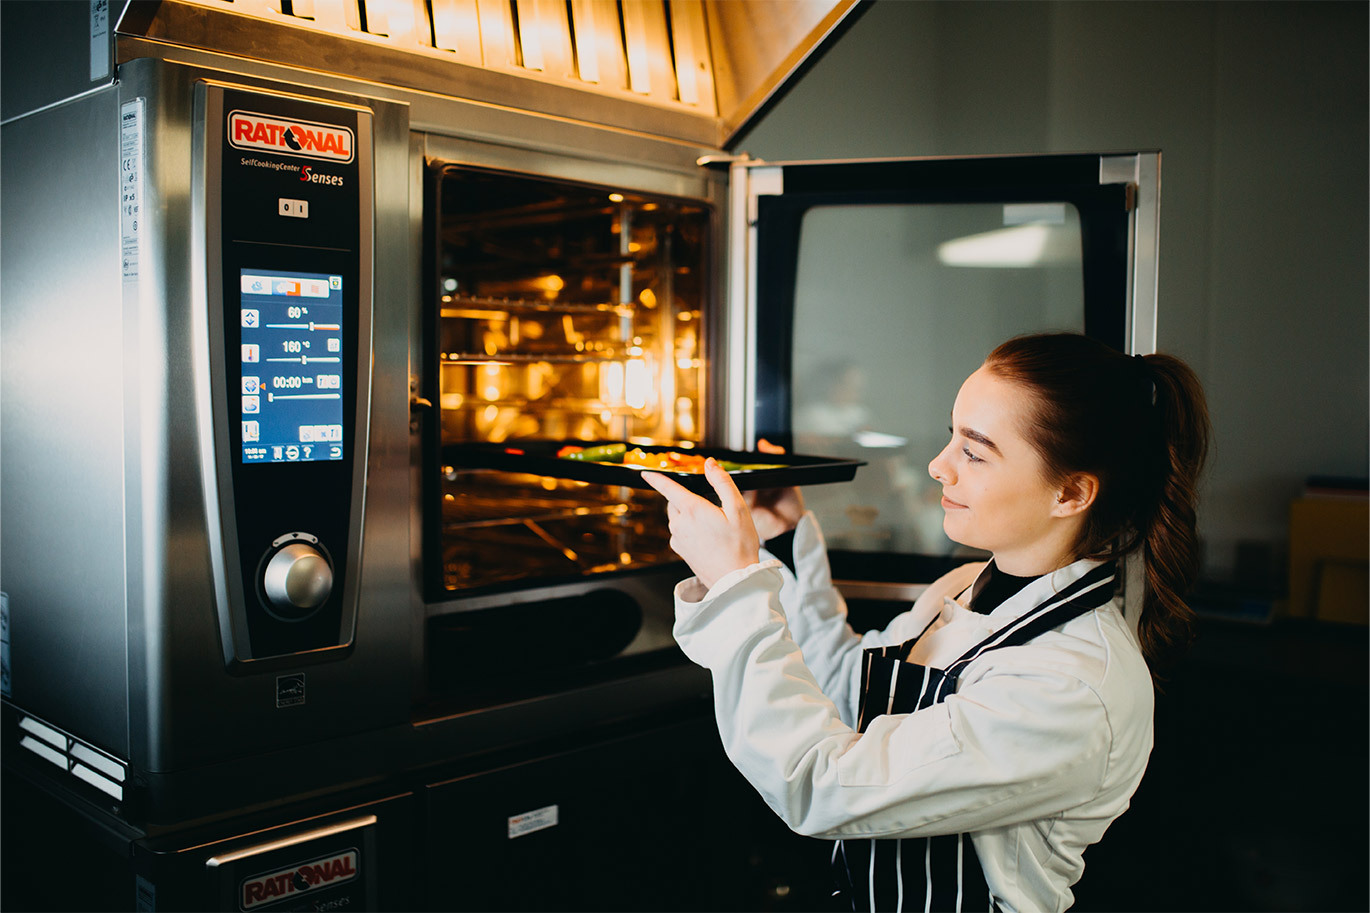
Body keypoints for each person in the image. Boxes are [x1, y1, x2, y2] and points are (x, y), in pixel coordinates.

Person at [642, 333, 1210, 913]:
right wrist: (781, 540)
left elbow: (820, 787)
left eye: (975, 451)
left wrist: (737, 586)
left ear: (1069, 492)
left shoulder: (1071, 684)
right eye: (951, 437)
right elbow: (843, 690)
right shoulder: (963, 587)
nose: (939, 467)